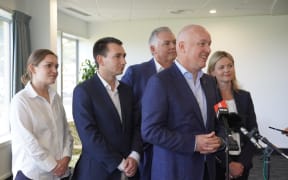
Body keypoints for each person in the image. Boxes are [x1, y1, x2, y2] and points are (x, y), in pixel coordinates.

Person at [141, 24, 224, 180]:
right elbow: (150, 131)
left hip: (208, 171)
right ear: (182, 46)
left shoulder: (211, 82)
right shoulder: (160, 82)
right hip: (175, 172)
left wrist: (219, 140)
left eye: (209, 44)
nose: (208, 50)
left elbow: (223, 120)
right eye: (202, 44)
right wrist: (193, 143)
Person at [71, 37, 142, 180]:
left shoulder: (127, 91)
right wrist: (120, 163)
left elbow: (136, 126)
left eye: (124, 56)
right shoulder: (84, 91)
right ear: (100, 60)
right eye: (117, 56)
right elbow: (89, 136)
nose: (124, 61)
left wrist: (134, 156)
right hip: (97, 172)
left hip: (130, 172)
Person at [121, 26, 176, 180]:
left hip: (175, 149)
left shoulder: (183, 75)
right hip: (144, 151)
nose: (173, 46)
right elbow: (125, 113)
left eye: (174, 42)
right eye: (167, 43)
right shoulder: (136, 73)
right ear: (153, 49)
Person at [10, 49, 74, 180]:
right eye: (48, 65)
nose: (55, 71)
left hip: (61, 173)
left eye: (56, 66)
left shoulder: (56, 98)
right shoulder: (21, 100)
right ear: (32, 68)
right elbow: (29, 141)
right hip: (33, 174)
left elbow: (66, 132)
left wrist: (66, 158)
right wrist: (53, 166)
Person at [207, 50, 259, 180]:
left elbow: (253, 131)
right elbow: (210, 133)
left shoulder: (244, 96)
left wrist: (242, 163)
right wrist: (229, 164)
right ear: (212, 71)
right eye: (221, 67)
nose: (227, 70)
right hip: (218, 162)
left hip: (242, 162)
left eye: (230, 65)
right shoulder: (209, 99)